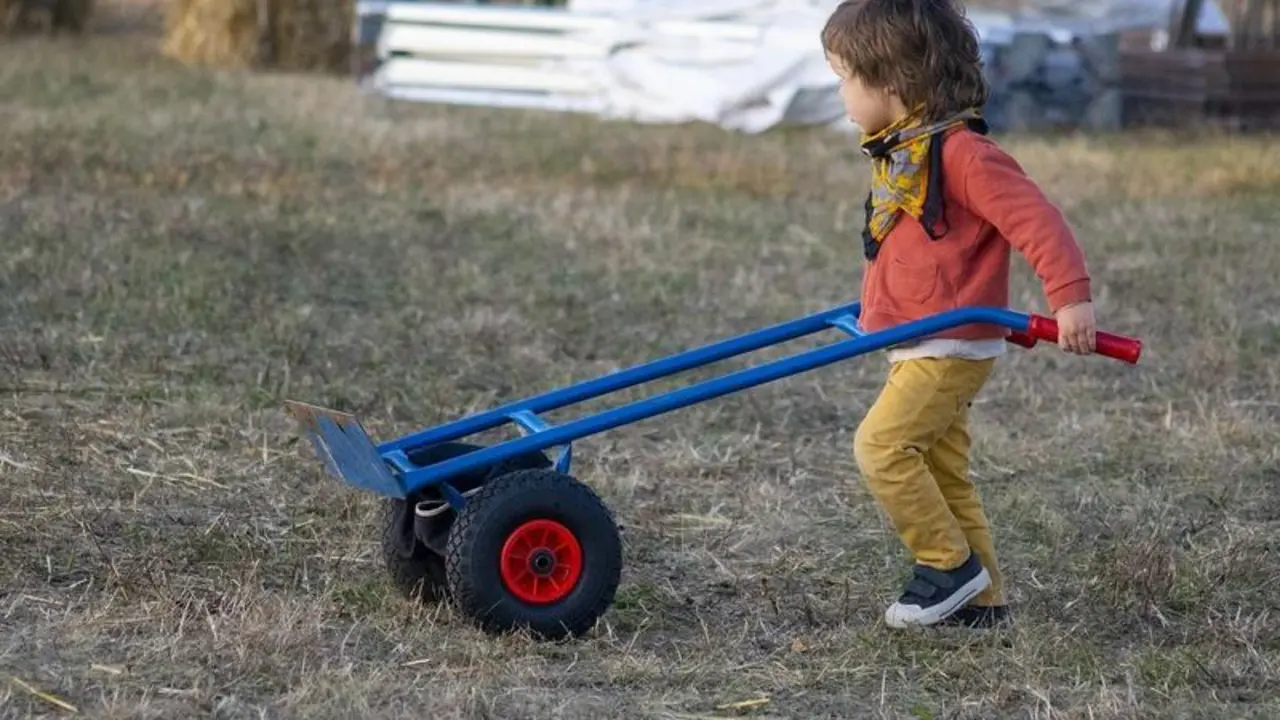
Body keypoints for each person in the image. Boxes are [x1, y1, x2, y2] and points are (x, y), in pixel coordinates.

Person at [820, 0, 1098, 629]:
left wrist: (1070, 297)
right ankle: (983, 601)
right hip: (920, 340)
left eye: (845, 78)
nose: (840, 93)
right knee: (945, 472)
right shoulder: (907, 152)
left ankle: (947, 565)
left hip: (948, 344)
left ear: (891, 81)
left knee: (882, 448)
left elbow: (1037, 219)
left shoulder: (962, 154)